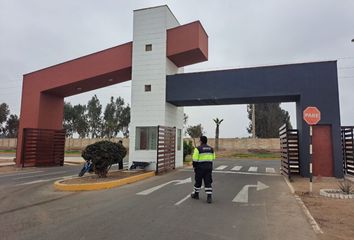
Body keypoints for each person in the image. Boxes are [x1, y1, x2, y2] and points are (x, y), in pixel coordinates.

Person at [191, 136, 215, 203]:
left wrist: (194, 167)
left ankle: (196, 194)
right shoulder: (211, 149)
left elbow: (195, 160)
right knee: (208, 181)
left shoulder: (198, 149)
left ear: (201, 141)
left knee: (198, 181)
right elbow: (213, 158)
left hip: (200, 168)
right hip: (209, 168)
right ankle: (209, 197)